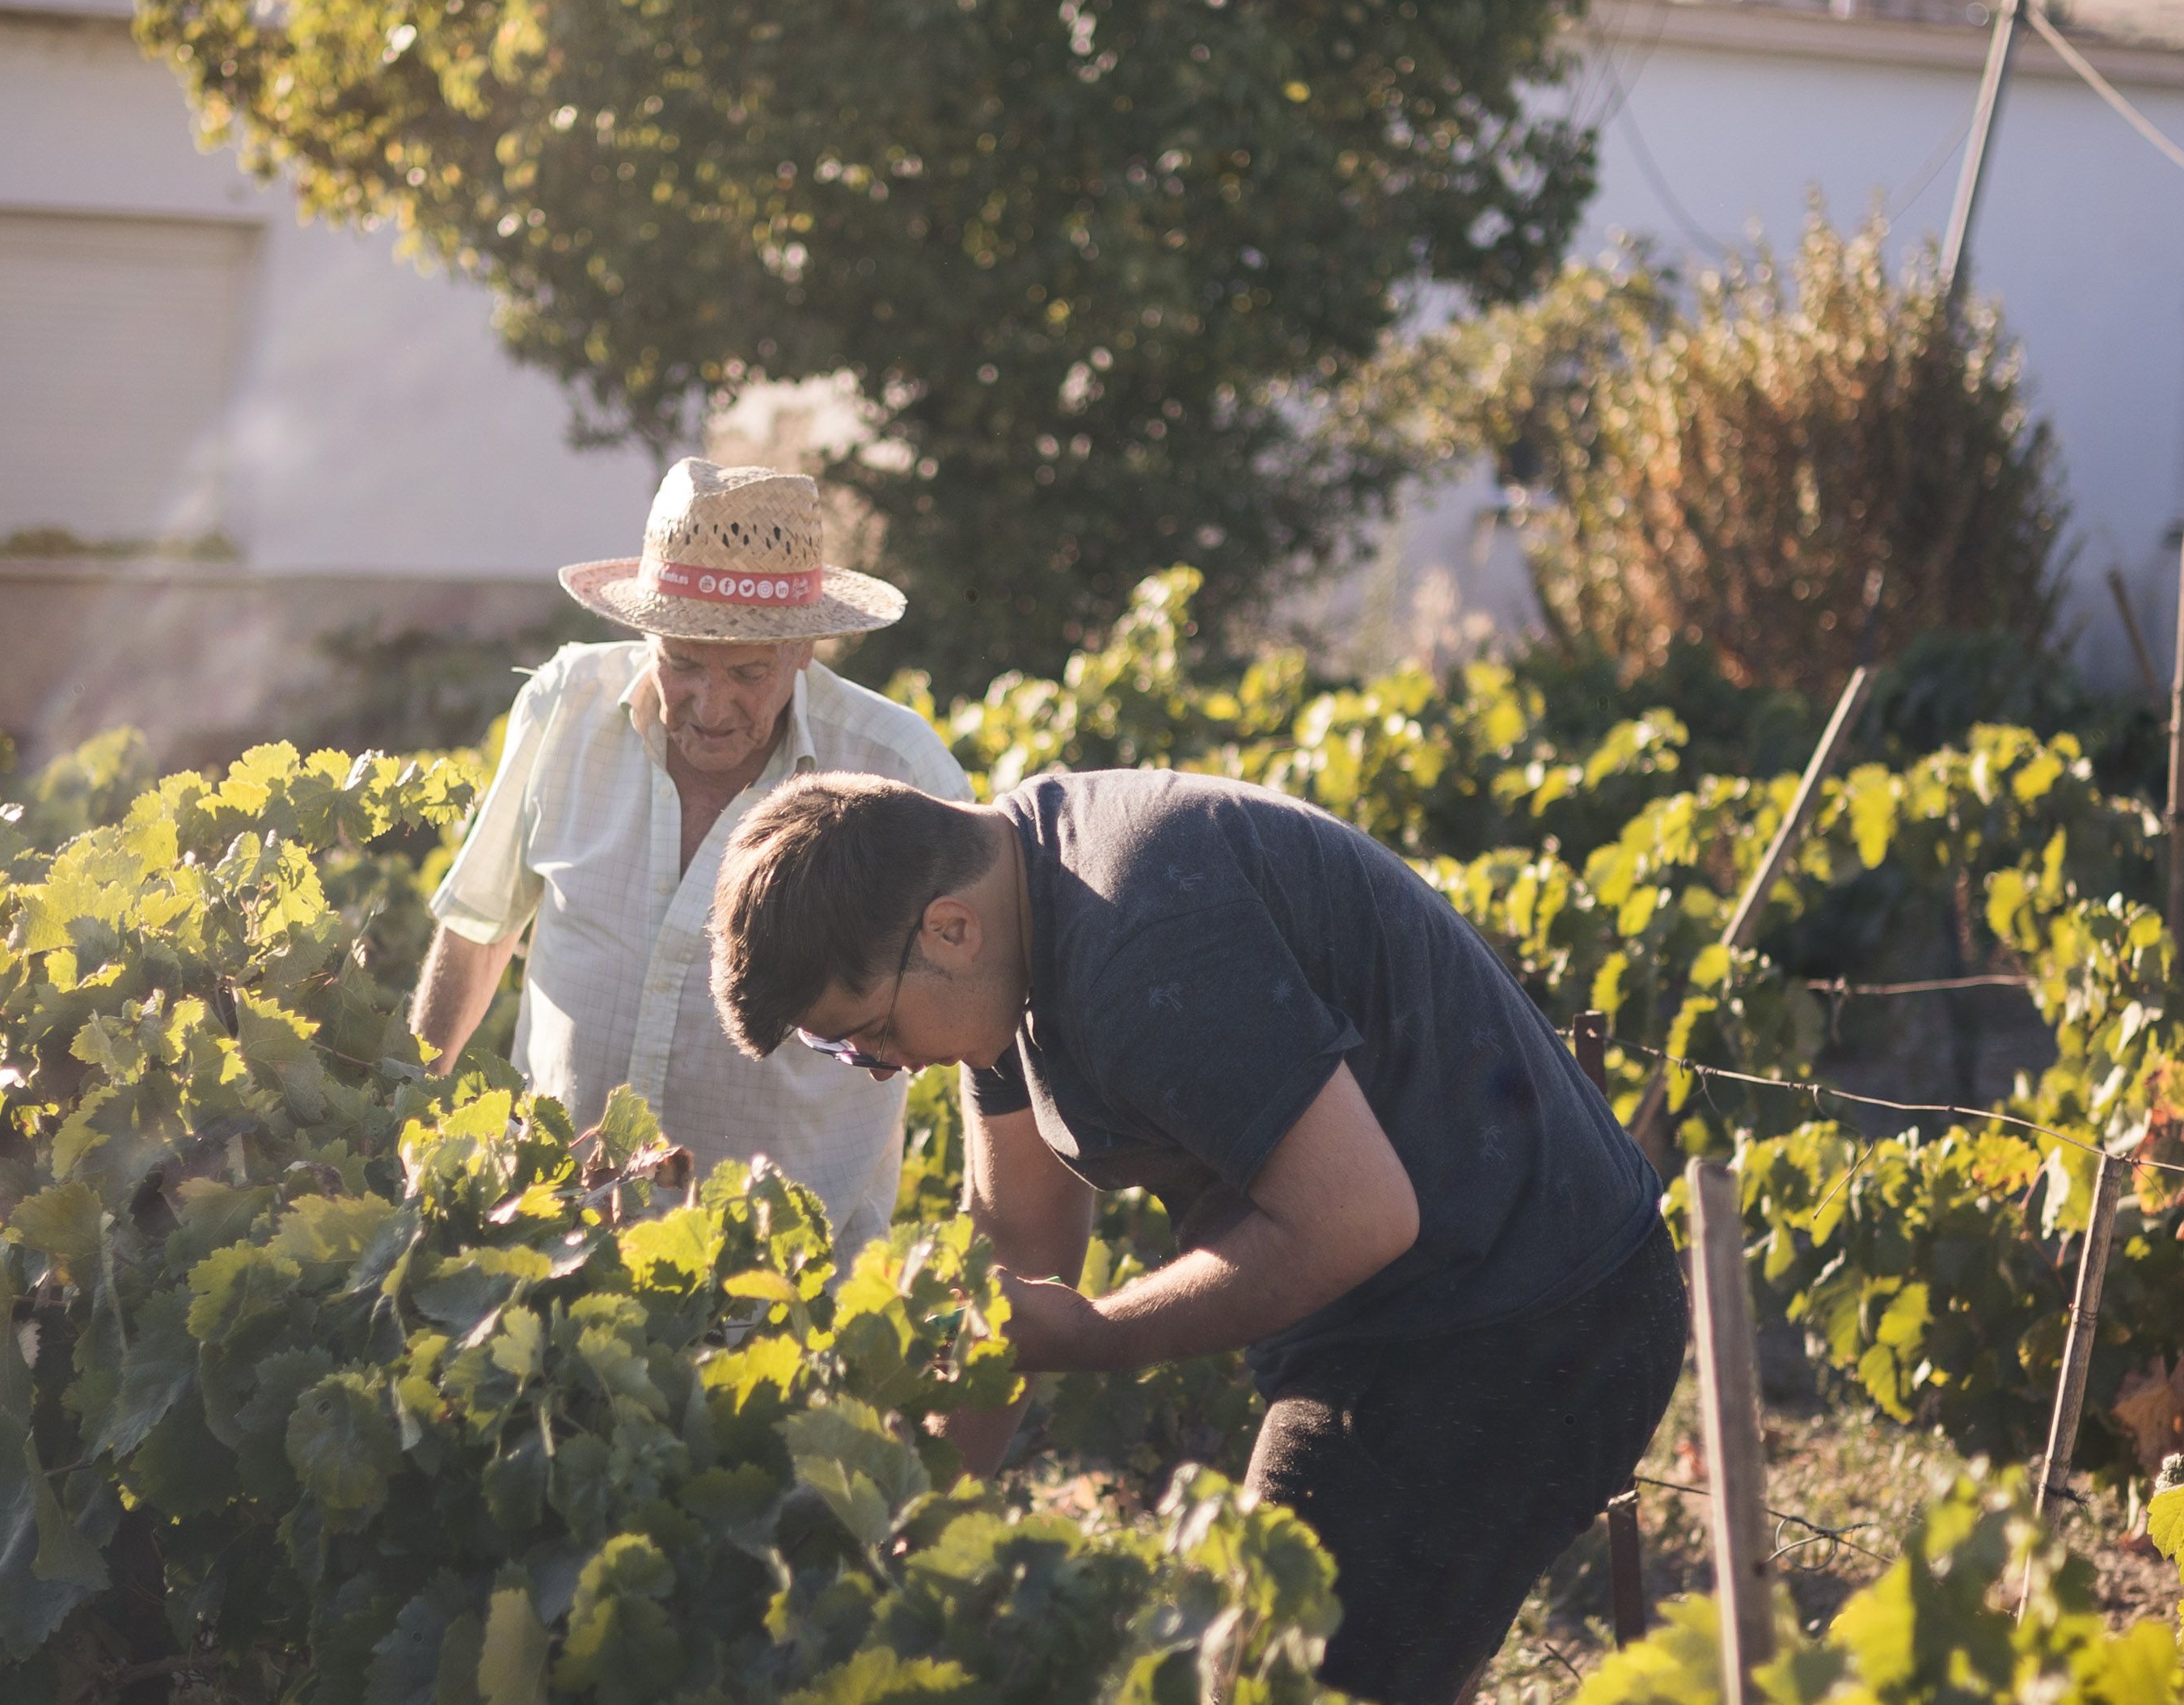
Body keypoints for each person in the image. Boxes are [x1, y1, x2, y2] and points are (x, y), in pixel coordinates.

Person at [703, 766, 1685, 1703]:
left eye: (863, 1029)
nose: (871, 1066)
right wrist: (901, 1528)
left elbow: (1358, 1218)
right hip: (1420, 1312)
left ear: (949, 930)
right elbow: (1018, 1252)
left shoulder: (1136, 938)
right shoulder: (1011, 910)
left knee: (1269, 1680)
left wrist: (1099, 1334)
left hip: (1528, 1319)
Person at [409, 458, 968, 1258]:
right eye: (680, 662)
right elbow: (476, 930)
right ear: (645, 632)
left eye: (746, 673)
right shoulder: (565, 708)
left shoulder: (900, 772)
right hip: (550, 1252)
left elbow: (985, 1002)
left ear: (807, 646)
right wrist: (406, 1121)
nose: (709, 707)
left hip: (783, 1288)